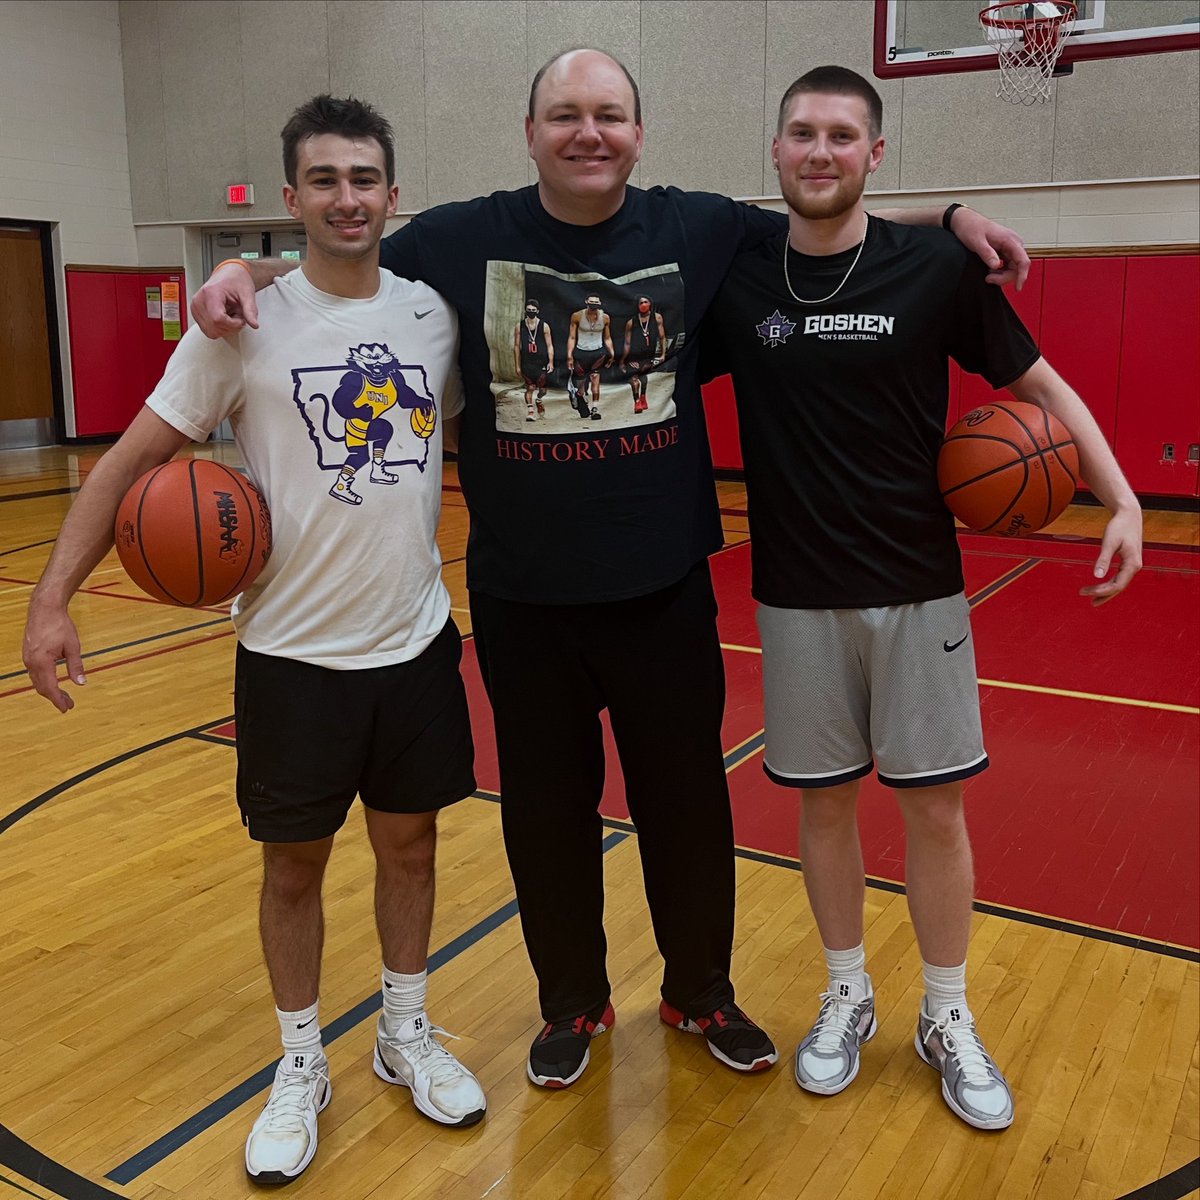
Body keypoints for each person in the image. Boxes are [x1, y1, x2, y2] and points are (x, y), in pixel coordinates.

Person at [189, 48, 1032, 1093]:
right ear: (531, 130)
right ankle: (570, 1005)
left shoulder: (703, 225)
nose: (588, 132)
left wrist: (952, 220)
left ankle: (701, 992)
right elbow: (339, 259)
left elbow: (839, 216)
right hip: (523, 594)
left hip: (664, 584)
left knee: (687, 803)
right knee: (548, 812)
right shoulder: (462, 238)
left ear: (639, 133)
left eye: (609, 115)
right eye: (565, 115)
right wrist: (237, 271)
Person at [21, 96, 486, 1184]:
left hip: (414, 643)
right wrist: (51, 602)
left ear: (391, 191)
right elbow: (128, 463)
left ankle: (404, 1034)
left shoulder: (431, 316)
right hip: (288, 657)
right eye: (323, 180)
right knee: (293, 869)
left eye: (364, 177)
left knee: (411, 848)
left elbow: (463, 444)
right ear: (292, 199)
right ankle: (298, 1063)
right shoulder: (237, 328)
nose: (347, 197)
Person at [700, 66, 1143, 1130]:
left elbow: (1039, 384)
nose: (820, 151)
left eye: (843, 136)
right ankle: (847, 991)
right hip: (795, 596)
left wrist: (1120, 496)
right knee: (822, 807)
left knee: (936, 809)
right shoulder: (741, 278)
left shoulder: (934, 267)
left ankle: (947, 1012)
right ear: (775, 150)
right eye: (802, 132)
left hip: (919, 590)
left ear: (875, 154)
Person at [567, 291, 614, 420]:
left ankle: (595, 409)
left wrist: (612, 352)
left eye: (596, 302)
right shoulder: (577, 316)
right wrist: (570, 356)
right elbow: (572, 337)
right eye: (591, 302)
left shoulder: (605, 318)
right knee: (581, 385)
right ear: (586, 302)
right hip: (581, 352)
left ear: (600, 303)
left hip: (598, 352)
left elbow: (608, 337)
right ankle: (579, 395)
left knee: (595, 378)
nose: (593, 304)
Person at [621, 294, 668, 414]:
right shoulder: (631, 322)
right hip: (634, 355)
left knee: (643, 376)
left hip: (648, 355)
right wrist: (622, 360)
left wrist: (663, 354)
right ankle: (637, 401)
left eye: (645, 302)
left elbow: (662, 337)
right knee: (634, 378)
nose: (643, 305)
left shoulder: (657, 317)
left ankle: (643, 396)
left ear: (650, 303)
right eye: (641, 303)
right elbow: (627, 343)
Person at [514, 297, 554, 422]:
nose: (530, 312)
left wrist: (550, 361)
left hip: (541, 362)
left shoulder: (544, 326)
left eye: (533, 310)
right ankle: (530, 411)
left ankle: (539, 399)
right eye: (528, 310)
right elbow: (516, 346)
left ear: (537, 311)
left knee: (542, 389)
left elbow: (549, 345)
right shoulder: (519, 326)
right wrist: (517, 365)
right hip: (527, 362)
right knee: (530, 387)